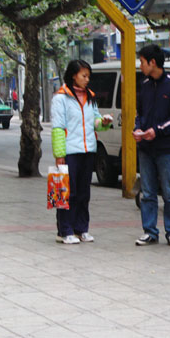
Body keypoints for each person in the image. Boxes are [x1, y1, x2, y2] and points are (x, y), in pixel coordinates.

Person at [51, 59, 112, 244]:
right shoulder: (60, 98)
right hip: (70, 151)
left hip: (88, 150)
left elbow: (94, 121)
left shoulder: (90, 97)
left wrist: (103, 123)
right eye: (83, 76)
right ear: (73, 76)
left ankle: (82, 228)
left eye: (88, 76)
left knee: (84, 193)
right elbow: (58, 128)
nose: (87, 79)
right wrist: (60, 155)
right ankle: (65, 230)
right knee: (67, 193)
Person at [133, 44, 170, 247]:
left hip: (166, 149)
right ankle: (149, 231)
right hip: (146, 148)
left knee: (169, 193)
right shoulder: (145, 85)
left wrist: (158, 130)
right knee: (147, 192)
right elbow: (140, 114)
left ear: (152, 62)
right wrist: (138, 130)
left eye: (142, 62)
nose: (141, 66)